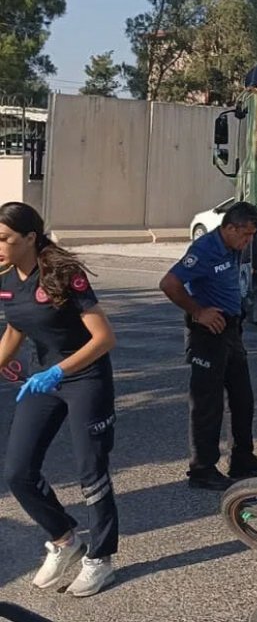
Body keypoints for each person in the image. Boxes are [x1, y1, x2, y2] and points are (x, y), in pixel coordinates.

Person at [0, 202, 119, 596]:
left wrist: (59, 370)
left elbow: (104, 339)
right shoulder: (7, 280)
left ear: (30, 238)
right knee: (18, 471)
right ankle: (66, 539)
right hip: (44, 380)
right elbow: (17, 329)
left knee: (91, 471)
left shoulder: (64, 275)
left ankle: (100, 559)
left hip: (85, 376)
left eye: (4, 238)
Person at [158, 201, 257, 490]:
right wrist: (198, 312)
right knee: (207, 403)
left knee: (242, 398)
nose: (248, 242)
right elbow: (169, 283)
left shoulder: (232, 248)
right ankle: (202, 469)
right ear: (229, 227)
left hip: (231, 330)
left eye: (252, 236)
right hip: (207, 333)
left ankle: (242, 458)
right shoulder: (204, 250)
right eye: (245, 235)